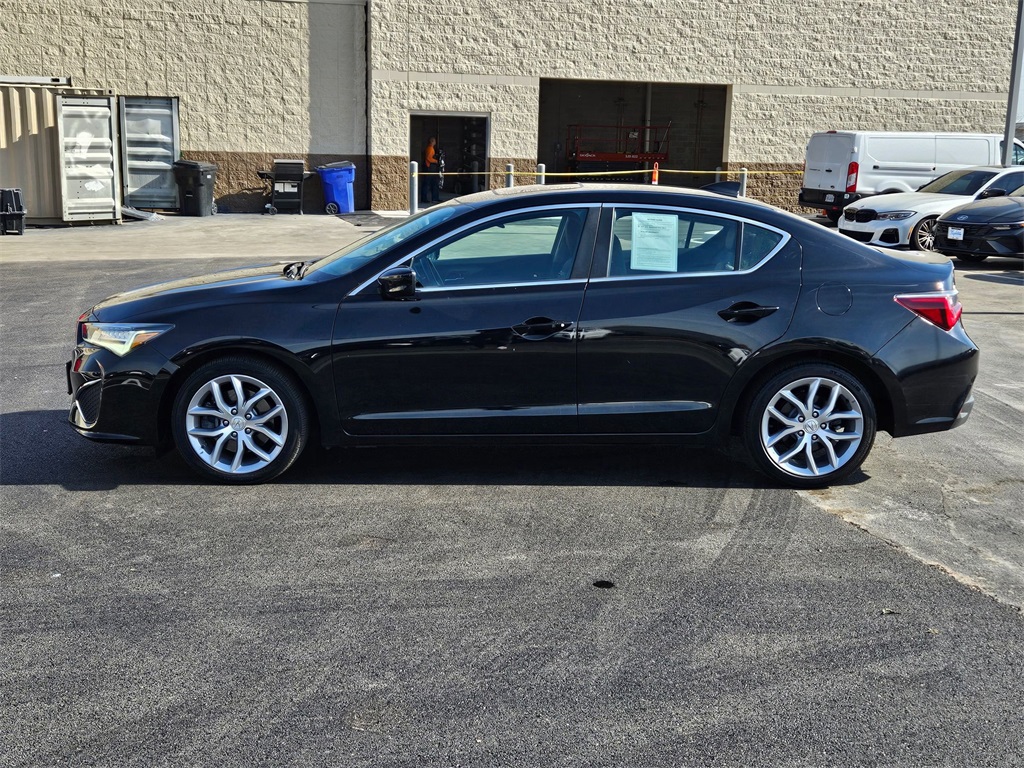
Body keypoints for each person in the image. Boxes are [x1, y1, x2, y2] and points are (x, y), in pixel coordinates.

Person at [421, 137, 440, 204]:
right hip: (429, 168)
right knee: (428, 183)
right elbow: (428, 158)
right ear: (432, 142)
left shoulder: (429, 148)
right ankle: (426, 198)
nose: (435, 142)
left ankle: (434, 198)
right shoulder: (430, 149)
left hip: (429, 168)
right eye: (434, 141)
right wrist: (435, 161)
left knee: (431, 183)